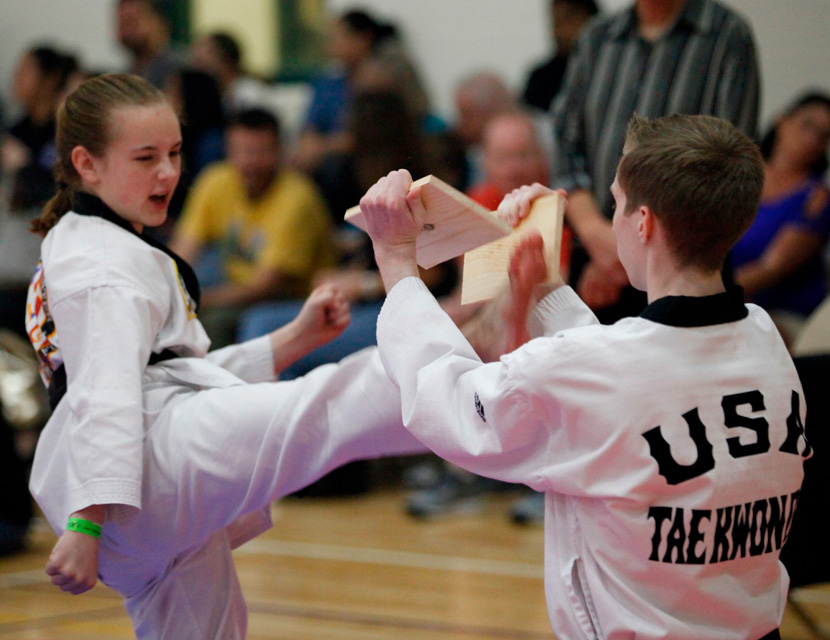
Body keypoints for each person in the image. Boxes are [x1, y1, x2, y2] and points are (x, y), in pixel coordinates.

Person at [360, 114, 809, 639]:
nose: (612, 218)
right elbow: (620, 383)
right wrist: (546, 286)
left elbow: (451, 405)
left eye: (615, 204)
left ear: (643, 223)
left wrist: (396, 262)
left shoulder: (600, 368)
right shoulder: (765, 338)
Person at [24, 73, 425, 640]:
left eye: (174, 153)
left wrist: (291, 341)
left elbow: (165, 377)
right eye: (145, 158)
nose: (168, 172)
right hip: (130, 476)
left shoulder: (91, 242)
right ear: (87, 163)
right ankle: (470, 381)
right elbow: (108, 392)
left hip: (133, 499)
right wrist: (84, 525)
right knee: (325, 407)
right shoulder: (100, 264)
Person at [551, 0, 760, 321]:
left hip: (686, 261)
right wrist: (597, 235)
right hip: (596, 255)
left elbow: (729, 165)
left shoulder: (726, 35)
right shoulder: (598, 36)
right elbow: (566, 141)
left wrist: (631, 249)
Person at [171, 107, 336, 348]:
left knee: (208, 320)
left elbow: (266, 286)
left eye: (261, 152)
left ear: (280, 151)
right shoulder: (215, 180)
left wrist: (198, 300)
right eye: (240, 152)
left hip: (292, 298)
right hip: (234, 278)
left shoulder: (298, 198)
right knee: (180, 285)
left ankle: (217, 384)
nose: (250, 162)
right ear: (228, 151)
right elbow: (182, 252)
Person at [732, 92, 830, 343]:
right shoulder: (736, 176)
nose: (811, 139)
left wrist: (707, 293)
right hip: (725, 301)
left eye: (823, 135)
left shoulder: (816, 197)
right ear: (782, 120)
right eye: (807, 124)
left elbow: (771, 268)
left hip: (782, 316)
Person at [522, 0, 599, 113]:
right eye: (555, 22)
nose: (558, 32)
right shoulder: (540, 80)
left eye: (567, 21)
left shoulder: (612, 70)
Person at [190, 31, 274, 118]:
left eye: (207, 54)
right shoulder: (218, 93)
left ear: (225, 58)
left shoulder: (248, 92)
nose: (198, 59)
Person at [116, 0, 183, 89]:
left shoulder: (179, 72)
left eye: (132, 20)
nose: (127, 30)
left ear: (160, 22)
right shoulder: (127, 76)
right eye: (122, 22)